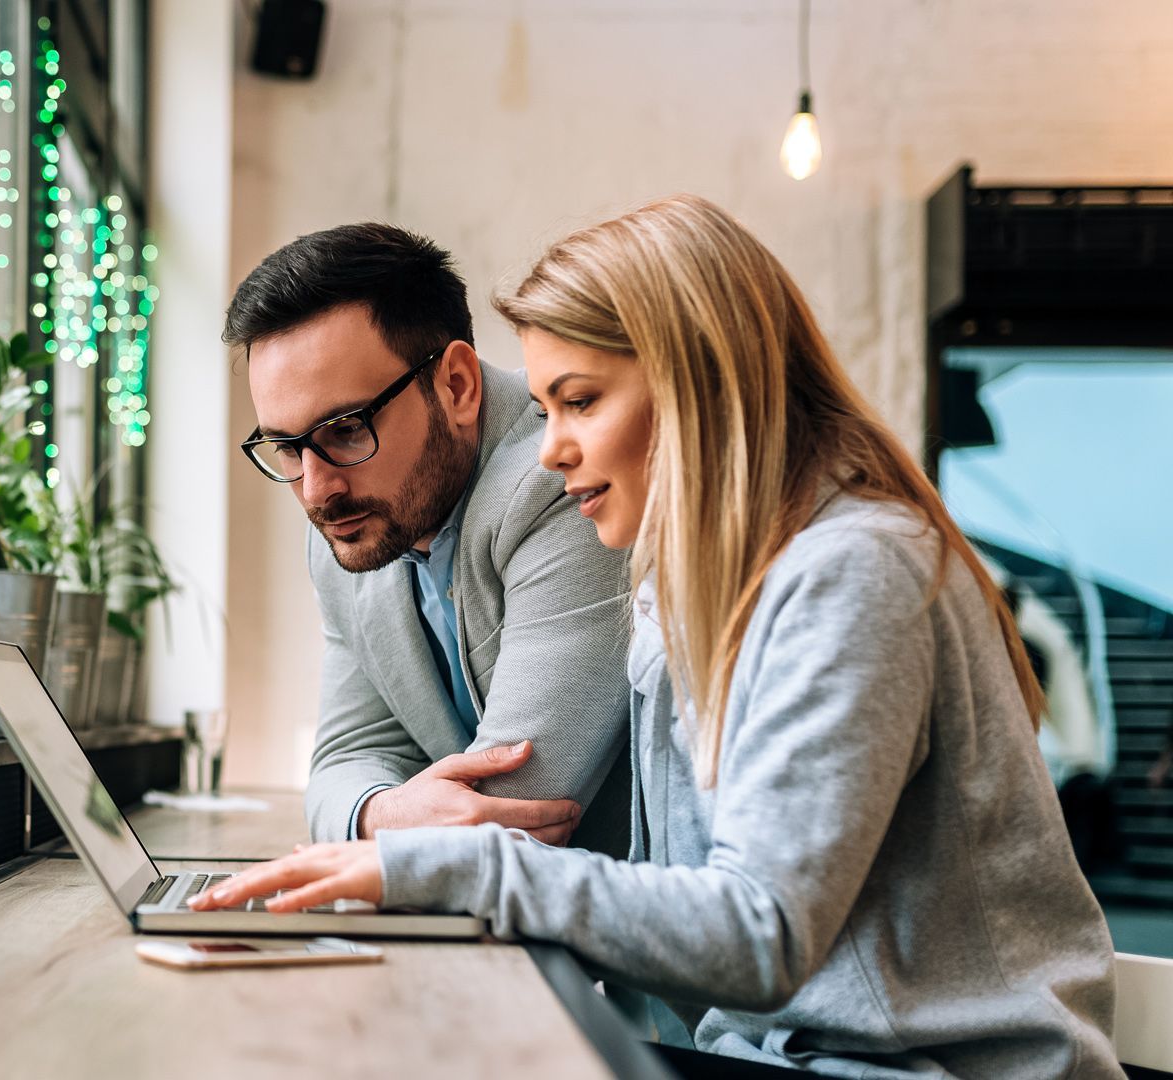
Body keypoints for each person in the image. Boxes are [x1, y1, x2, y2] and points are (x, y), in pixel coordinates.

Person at [198, 197, 1122, 1078]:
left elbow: (760, 931)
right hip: (774, 1054)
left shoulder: (852, 571)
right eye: (549, 408)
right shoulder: (699, 580)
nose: (552, 450)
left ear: (700, 387)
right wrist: (387, 844)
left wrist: (431, 862)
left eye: (582, 401)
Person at [225, 223, 633, 852]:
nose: (315, 491)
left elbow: (516, 807)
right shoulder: (355, 526)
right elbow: (345, 759)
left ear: (457, 387)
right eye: (286, 447)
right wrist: (379, 815)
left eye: (346, 430)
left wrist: (381, 823)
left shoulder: (570, 481)